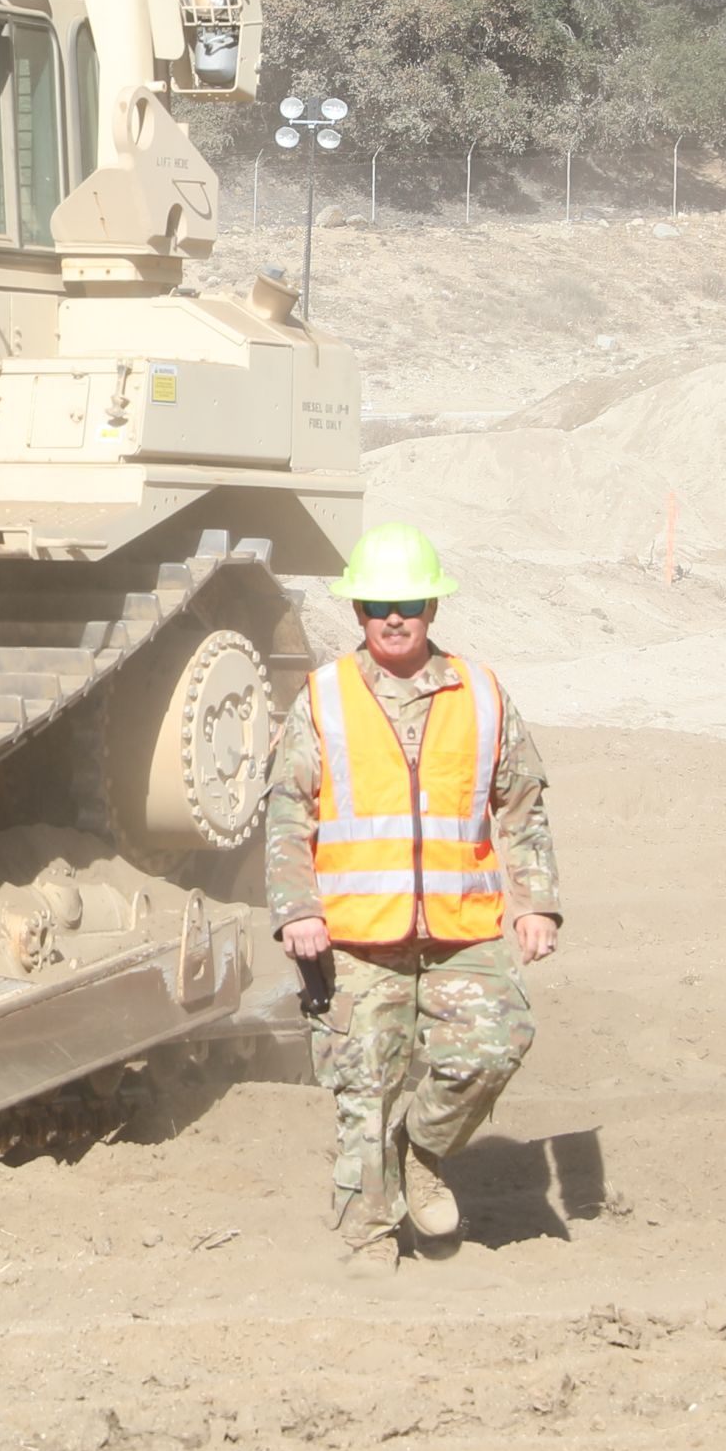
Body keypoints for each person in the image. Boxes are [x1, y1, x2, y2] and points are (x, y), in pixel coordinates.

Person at [264, 521, 565, 1266]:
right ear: (357, 611)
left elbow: (521, 800)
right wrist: (297, 907)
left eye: (408, 602)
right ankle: (367, 1245)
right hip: (358, 937)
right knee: (363, 1088)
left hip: (461, 930)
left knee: (498, 1044)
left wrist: (535, 901)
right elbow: (287, 810)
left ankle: (421, 1149)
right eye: (376, 604)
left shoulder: (483, 694)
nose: (392, 617)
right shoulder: (324, 697)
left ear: (433, 608)